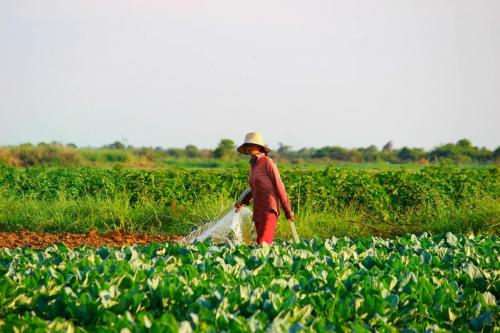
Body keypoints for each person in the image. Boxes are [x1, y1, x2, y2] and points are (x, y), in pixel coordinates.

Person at [234, 132, 295, 245]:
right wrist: (242, 201)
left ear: (259, 147)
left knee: (263, 244)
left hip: (269, 210)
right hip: (258, 211)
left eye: (251, 144)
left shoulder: (267, 162)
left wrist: (288, 209)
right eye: (246, 145)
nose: (248, 148)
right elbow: (253, 189)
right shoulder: (253, 165)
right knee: (259, 244)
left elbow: (279, 186)